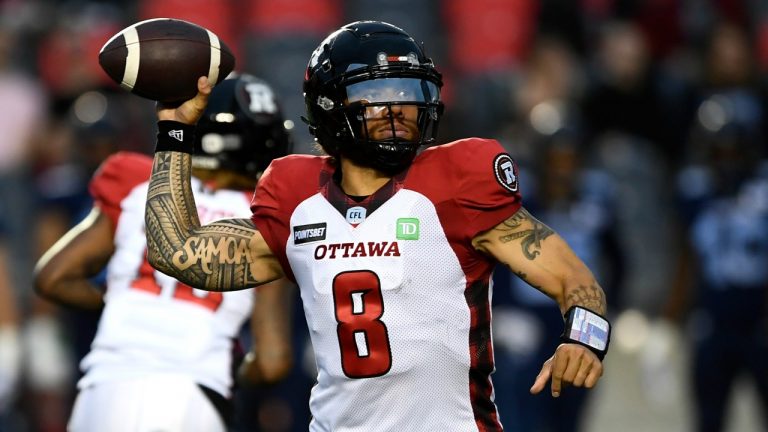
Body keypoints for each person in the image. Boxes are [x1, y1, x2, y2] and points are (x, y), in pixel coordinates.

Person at [144, 21, 611, 431]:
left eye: (409, 95)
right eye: (378, 97)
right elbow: (179, 252)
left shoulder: (457, 182)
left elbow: (577, 281)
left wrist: (584, 341)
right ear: (330, 105)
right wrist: (174, 128)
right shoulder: (295, 195)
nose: (399, 112)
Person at [34, 73, 295, 432]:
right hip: (193, 392)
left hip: (103, 386)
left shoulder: (138, 182)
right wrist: (235, 373)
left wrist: (119, 301)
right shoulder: (266, 217)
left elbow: (52, 277)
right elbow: (272, 360)